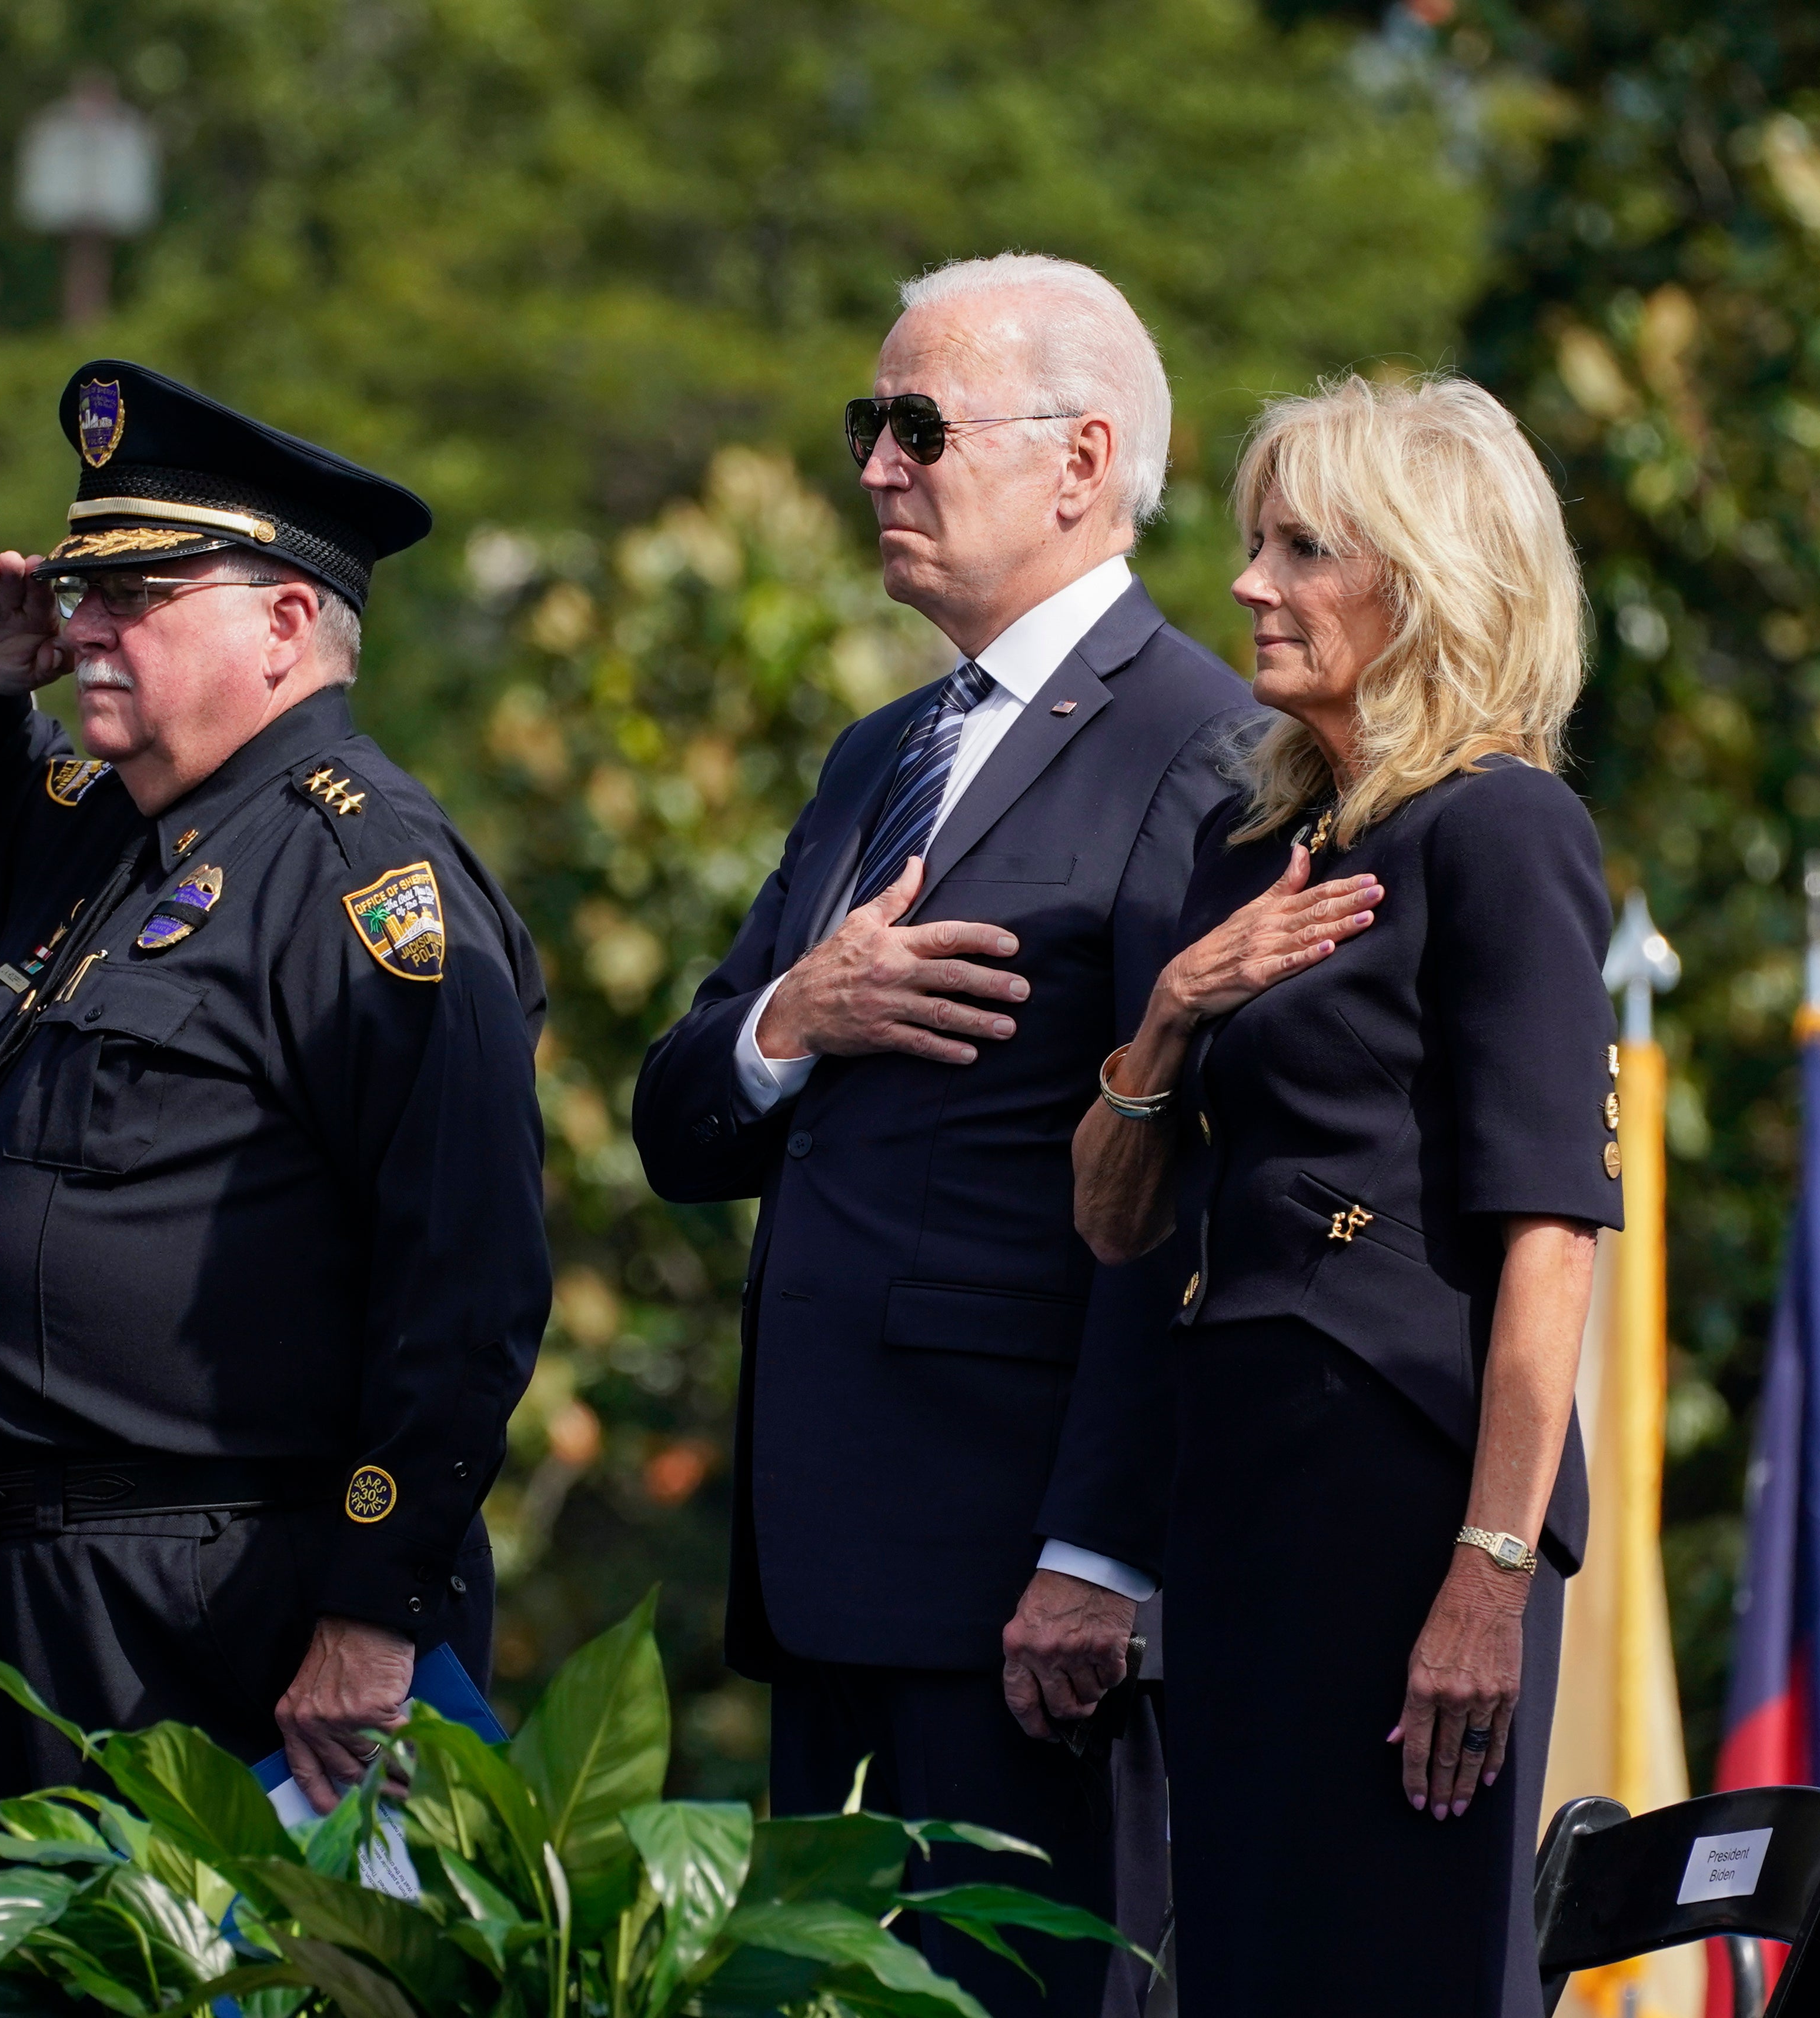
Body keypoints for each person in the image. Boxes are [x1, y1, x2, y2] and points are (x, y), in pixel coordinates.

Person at [628, 254, 1258, 2014]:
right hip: (830, 1565)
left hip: (1021, 1590)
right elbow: (680, 1118)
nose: (875, 468)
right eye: (865, 425)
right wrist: (789, 1018)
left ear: (1081, 459)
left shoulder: (1197, 748)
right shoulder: (879, 755)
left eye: (917, 425)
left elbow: (1183, 1190)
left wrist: (1097, 1550)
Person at [0, 359, 550, 1810]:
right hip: (29, 1592)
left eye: (142, 592)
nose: (85, 625)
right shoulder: (128, 835)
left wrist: (376, 1608)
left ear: (289, 624)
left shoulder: (370, 875)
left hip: (218, 1599)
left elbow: (467, 1273)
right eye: (81, 589)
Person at [1071, 373, 1612, 2017]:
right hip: (1235, 1478)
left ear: (1426, 580)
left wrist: (1486, 1572)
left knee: (1394, 1967)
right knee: (1242, 1962)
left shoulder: (1503, 827)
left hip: (1402, 1489)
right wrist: (1174, 1006)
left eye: (1299, 548)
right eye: (1252, 543)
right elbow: (1112, 1221)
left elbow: (1548, 1244)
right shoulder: (1247, 850)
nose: (1246, 585)